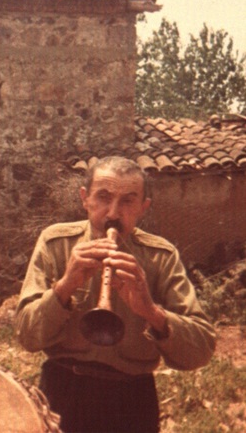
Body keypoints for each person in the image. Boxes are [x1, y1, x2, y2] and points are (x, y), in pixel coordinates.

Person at [15, 156, 216, 433]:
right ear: (85, 199)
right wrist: (65, 285)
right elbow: (26, 335)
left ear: (143, 208)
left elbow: (201, 351)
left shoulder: (161, 256)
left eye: (127, 201)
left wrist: (151, 312)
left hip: (131, 399)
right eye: (103, 197)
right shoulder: (55, 243)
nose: (113, 212)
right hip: (62, 391)